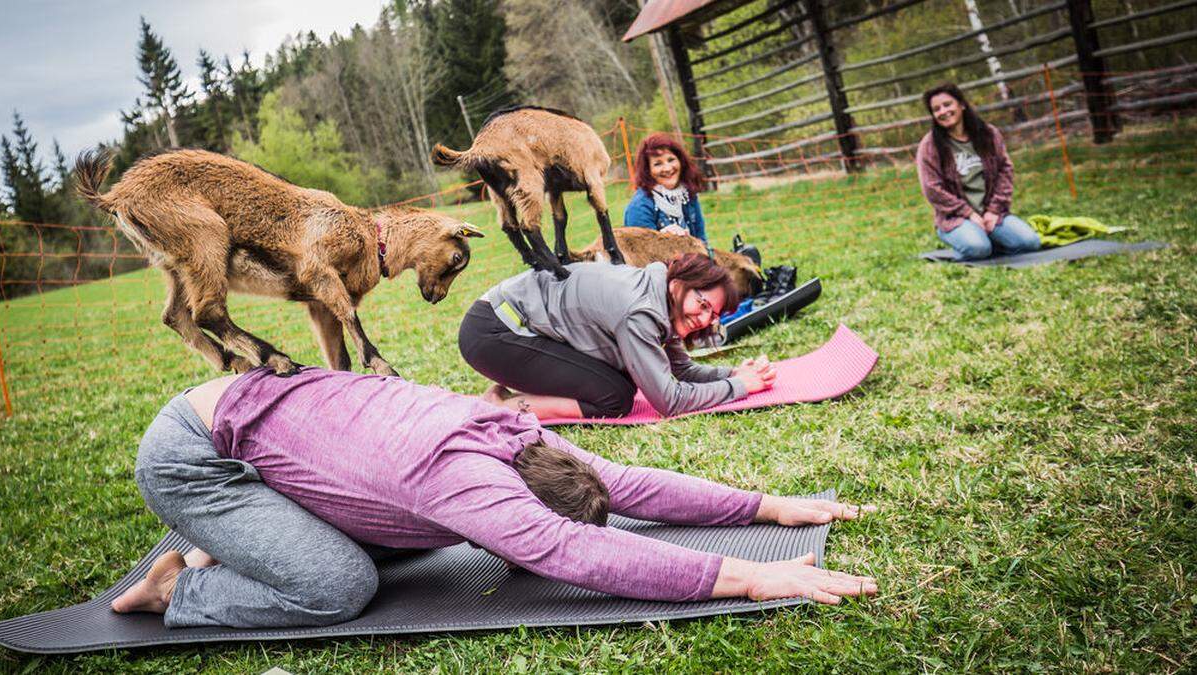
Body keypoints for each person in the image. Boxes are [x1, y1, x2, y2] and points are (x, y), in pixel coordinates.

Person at [111, 367, 878, 628]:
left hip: (260, 421)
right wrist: (748, 576)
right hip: (192, 455)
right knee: (339, 584)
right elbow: (572, 548)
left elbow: (632, 485)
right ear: (515, 509)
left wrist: (766, 505)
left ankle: (244, 531)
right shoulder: (464, 479)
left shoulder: (519, 432)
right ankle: (179, 586)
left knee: (410, 533)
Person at [457, 253, 777, 421]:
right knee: (616, 397)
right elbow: (670, 401)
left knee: (620, 385)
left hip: (511, 328)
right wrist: (740, 387)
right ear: (679, 284)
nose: (704, 318)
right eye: (703, 304)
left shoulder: (660, 297)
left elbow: (679, 370)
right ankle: (503, 407)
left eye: (714, 315)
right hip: (495, 333)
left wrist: (731, 373)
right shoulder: (641, 310)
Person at [916, 82, 1041, 260]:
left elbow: (1005, 170)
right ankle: (975, 244)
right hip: (956, 218)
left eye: (947, 104)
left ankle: (988, 242)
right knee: (977, 249)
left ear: (962, 105)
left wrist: (993, 210)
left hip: (992, 213)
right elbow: (932, 189)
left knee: (1030, 243)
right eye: (936, 109)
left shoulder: (988, 134)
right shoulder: (930, 145)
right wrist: (969, 214)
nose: (943, 112)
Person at [623, 133, 710, 245]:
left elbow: (702, 241)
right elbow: (643, 255)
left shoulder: (688, 195)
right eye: (658, 164)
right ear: (647, 170)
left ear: (681, 161)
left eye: (671, 160)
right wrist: (664, 239)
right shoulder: (640, 206)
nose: (668, 168)